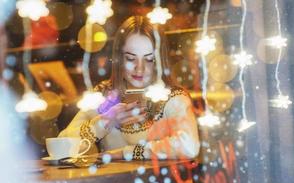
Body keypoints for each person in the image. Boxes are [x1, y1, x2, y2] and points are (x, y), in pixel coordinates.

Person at [59, 16, 200, 160]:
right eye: (131, 58)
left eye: (149, 59)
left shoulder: (173, 97)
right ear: (119, 58)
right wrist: (105, 121)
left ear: (160, 60)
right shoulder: (105, 95)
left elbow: (189, 147)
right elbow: (62, 148)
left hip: (161, 182)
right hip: (111, 182)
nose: (140, 69)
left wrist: (127, 153)